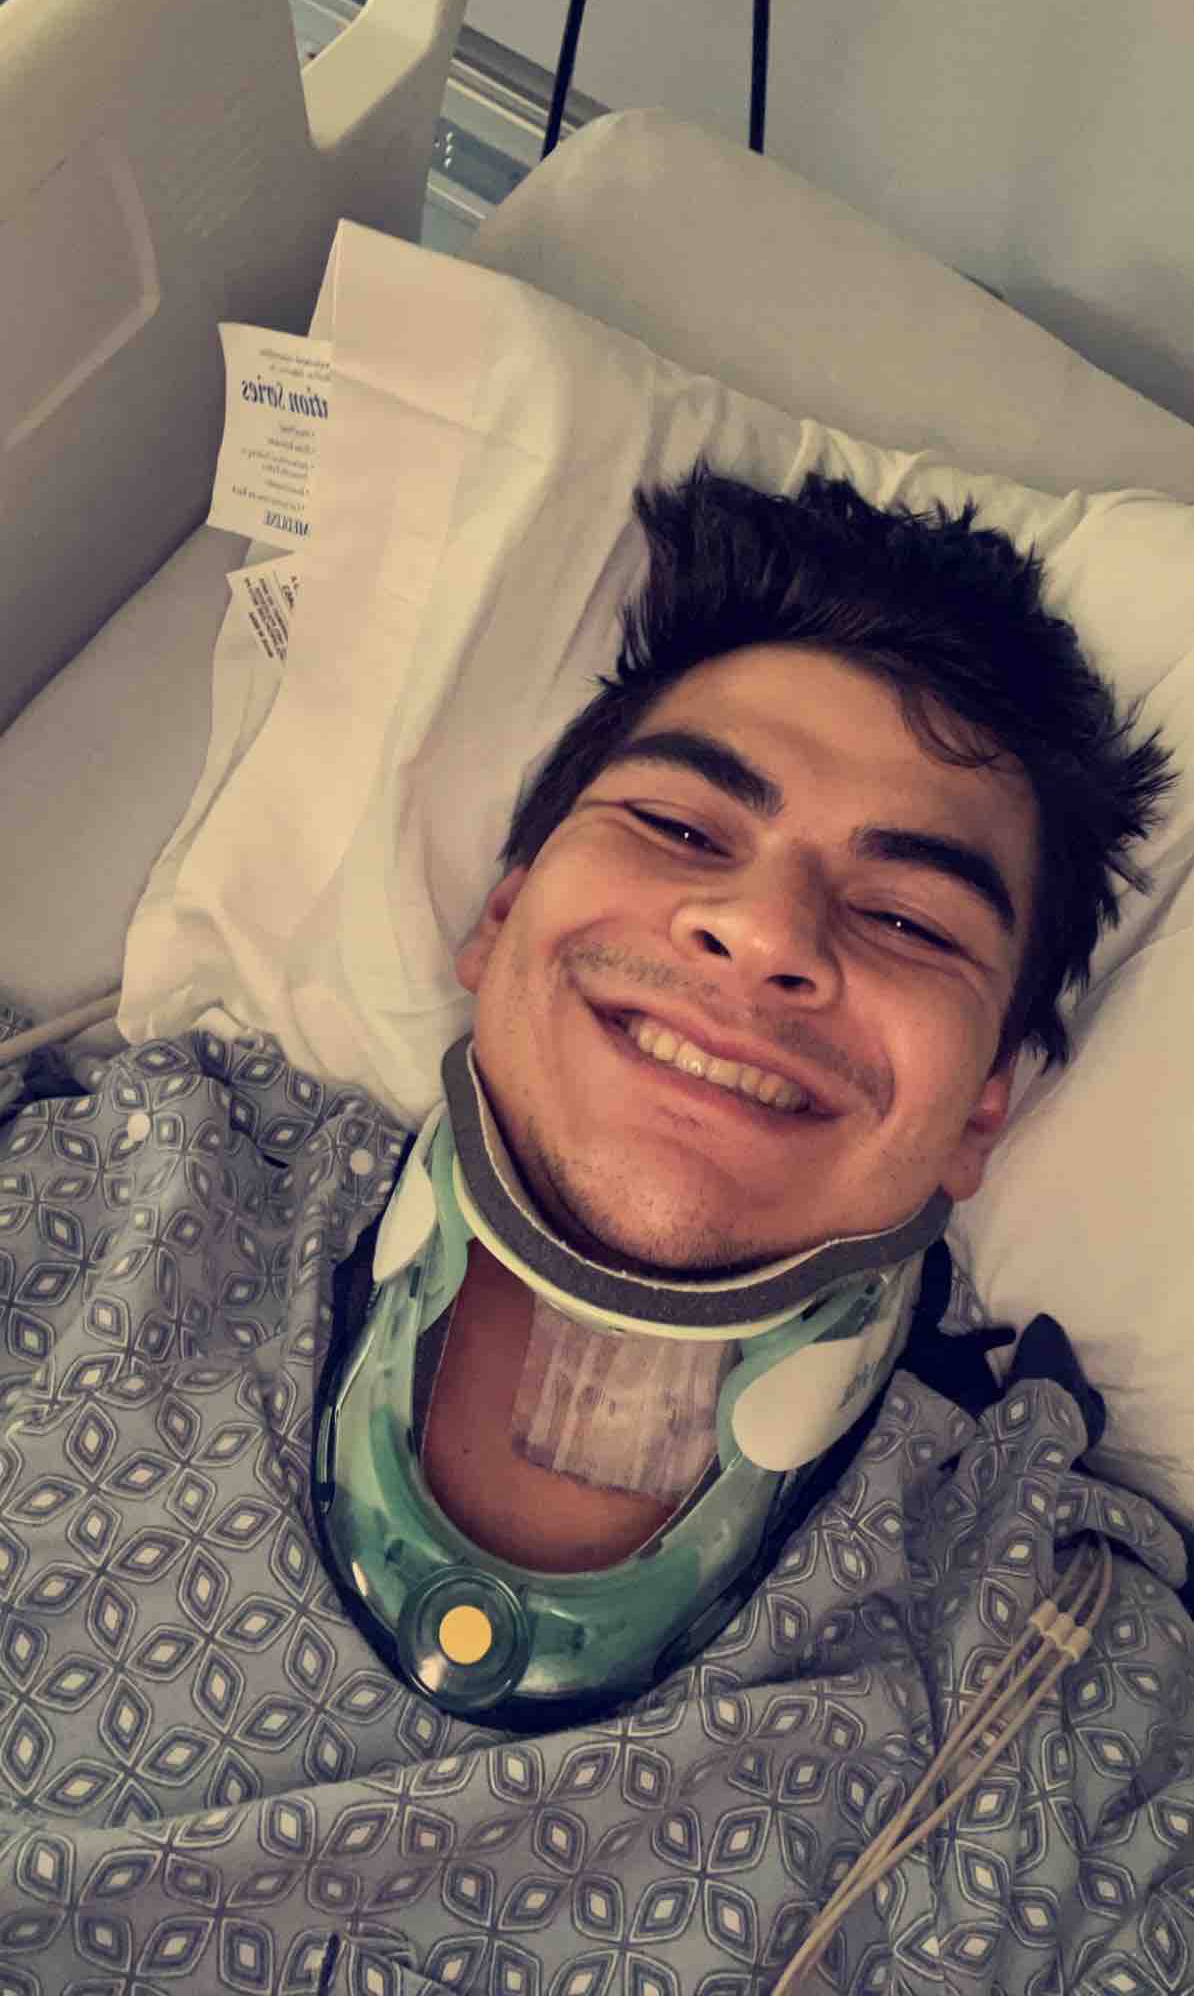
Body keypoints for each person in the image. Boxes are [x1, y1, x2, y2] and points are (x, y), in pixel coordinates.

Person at [0, 463, 1186, 1996]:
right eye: (681, 827)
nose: (760, 933)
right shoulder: (100, 1185)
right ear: (498, 920)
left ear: (981, 1112)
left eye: (908, 920)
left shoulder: (1053, 1689)